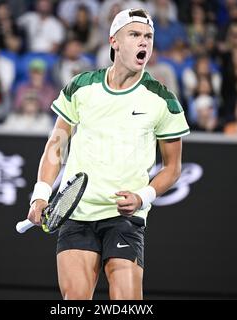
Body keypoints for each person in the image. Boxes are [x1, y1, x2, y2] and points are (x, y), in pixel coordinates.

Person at [26, 8, 190, 300]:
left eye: (148, 36)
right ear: (114, 41)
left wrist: (143, 197)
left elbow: (173, 168)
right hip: (76, 214)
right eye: (135, 34)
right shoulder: (81, 87)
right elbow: (56, 145)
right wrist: (40, 193)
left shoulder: (163, 100)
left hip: (125, 219)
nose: (144, 42)